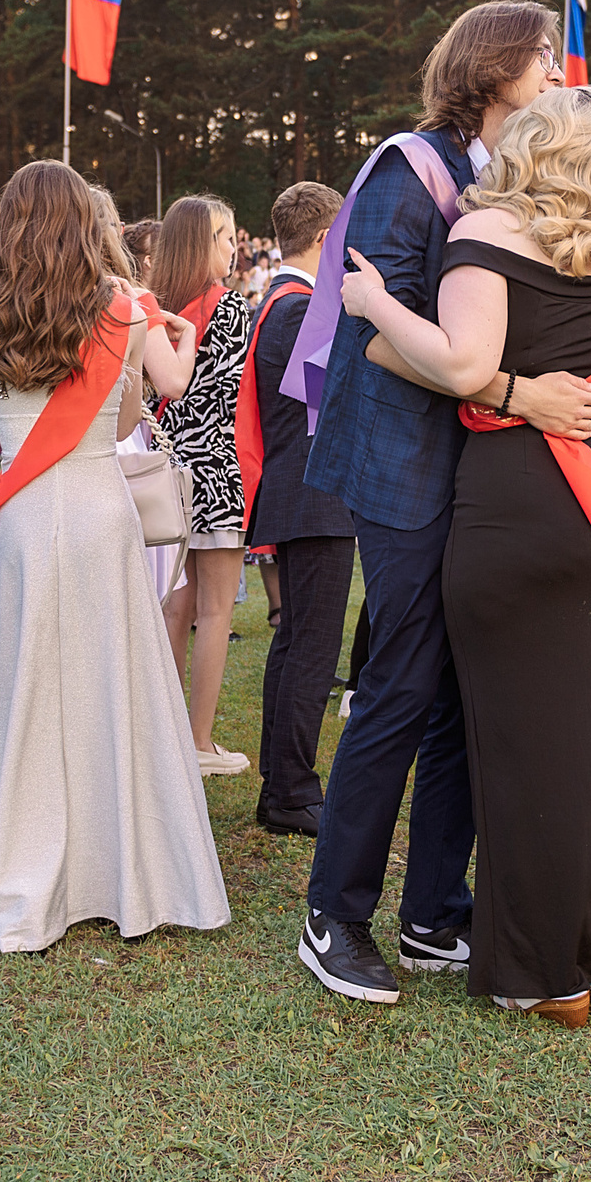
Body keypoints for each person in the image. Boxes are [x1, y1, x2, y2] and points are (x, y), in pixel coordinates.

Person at [296, 0, 591, 1005]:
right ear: (496, 64)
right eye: (545, 56)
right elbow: (376, 329)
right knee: (399, 681)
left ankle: (434, 907)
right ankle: (333, 915)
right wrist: (520, 394)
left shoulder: (502, 178)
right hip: (404, 464)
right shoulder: (408, 168)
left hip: (479, 464)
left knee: (459, 692)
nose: (560, 71)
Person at [338, 84, 591, 1023]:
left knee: (519, 750)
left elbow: (467, 366)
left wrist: (370, 304)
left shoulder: (487, 236)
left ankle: (545, 973)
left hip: (522, 506)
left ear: (524, 146)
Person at [0, 158, 227, 951]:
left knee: (24, 688)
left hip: (26, 518)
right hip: (101, 508)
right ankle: (124, 871)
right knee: (113, 687)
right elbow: (151, 395)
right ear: (82, 222)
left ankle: (25, 873)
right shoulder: (123, 308)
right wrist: (184, 335)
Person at [242, 181, 353, 836]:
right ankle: (290, 788)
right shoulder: (297, 307)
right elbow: (325, 407)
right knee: (310, 646)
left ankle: (281, 780)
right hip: (313, 491)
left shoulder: (285, 302)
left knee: (296, 641)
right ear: (323, 239)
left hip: (303, 490)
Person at [147, 195, 258, 774]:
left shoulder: (153, 309)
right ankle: (197, 743)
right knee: (215, 610)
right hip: (213, 466)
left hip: (163, 470)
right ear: (201, 243)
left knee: (174, 605)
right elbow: (222, 396)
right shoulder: (231, 309)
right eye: (224, 236)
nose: (233, 246)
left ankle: (163, 739)